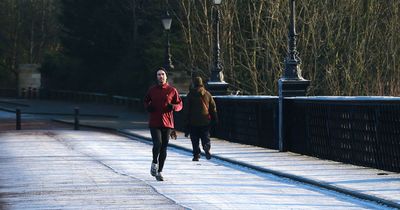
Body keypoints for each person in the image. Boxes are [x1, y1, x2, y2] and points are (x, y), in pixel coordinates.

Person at [144, 67, 183, 181]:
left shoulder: (172, 90)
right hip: (155, 122)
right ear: (156, 77)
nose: (160, 76)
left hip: (167, 123)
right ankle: (154, 162)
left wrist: (174, 107)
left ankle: (160, 171)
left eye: (162, 74)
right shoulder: (152, 90)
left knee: (164, 147)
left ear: (166, 76)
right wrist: (148, 107)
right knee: (158, 144)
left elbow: (180, 104)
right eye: (158, 75)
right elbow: (145, 101)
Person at [184, 76, 218, 161]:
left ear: (194, 84)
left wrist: (186, 122)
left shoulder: (190, 95)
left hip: (193, 121)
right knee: (205, 136)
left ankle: (196, 155)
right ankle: (206, 146)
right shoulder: (207, 94)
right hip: (205, 120)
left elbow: (186, 110)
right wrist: (215, 118)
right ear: (201, 83)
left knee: (194, 139)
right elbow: (213, 108)